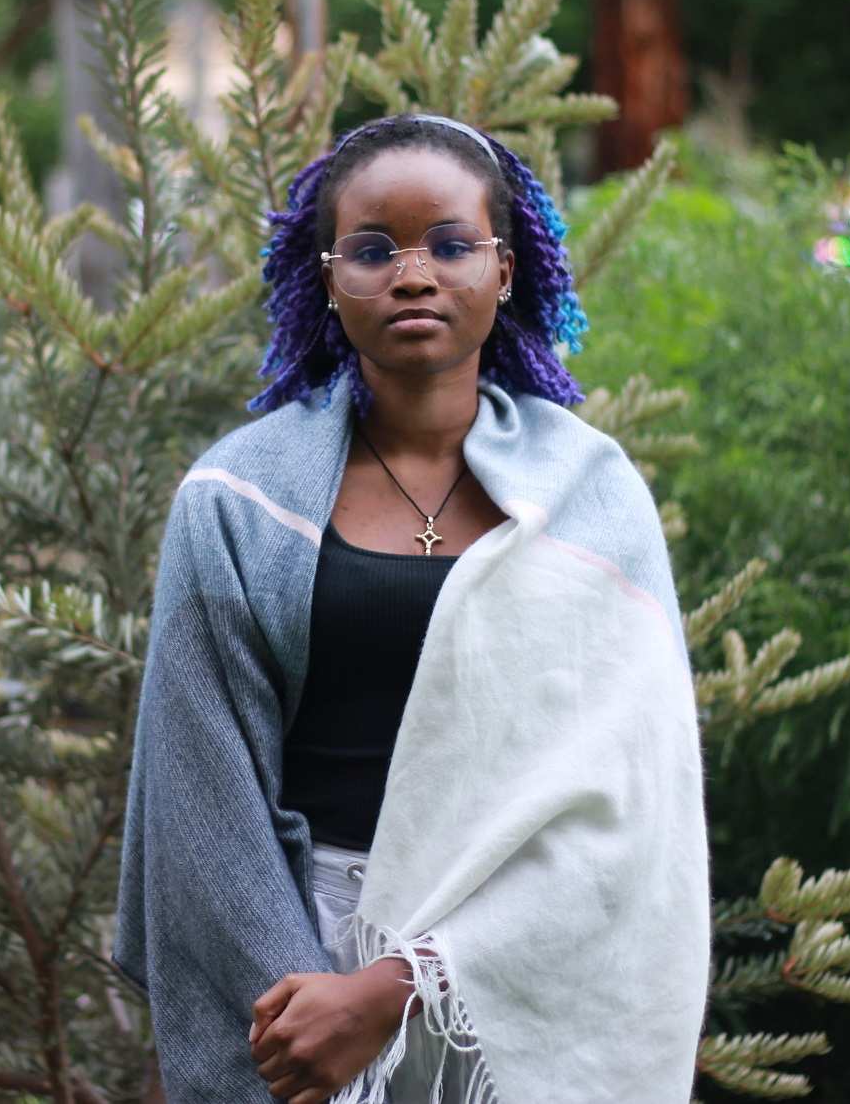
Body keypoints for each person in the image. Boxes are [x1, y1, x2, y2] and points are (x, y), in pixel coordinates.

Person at [110, 113, 711, 1103]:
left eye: (448, 243)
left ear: (505, 269)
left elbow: (623, 798)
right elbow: (199, 791)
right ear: (324, 275)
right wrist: (305, 1010)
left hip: (512, 963)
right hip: (292, 964)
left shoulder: (594, 502)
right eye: (373, 248)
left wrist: (400, 987)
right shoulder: (235, 502)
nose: (412, 273)